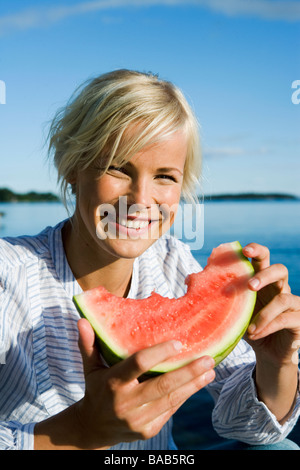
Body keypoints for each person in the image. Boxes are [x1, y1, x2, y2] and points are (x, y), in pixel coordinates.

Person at [0, 69, 300, 451]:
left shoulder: (173, 262)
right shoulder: (8, 276)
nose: (140, 200)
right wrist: (81, 430)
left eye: (165, 176)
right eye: (117, 168)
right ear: (72, 169)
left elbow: (248, 427)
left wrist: (276, 363)